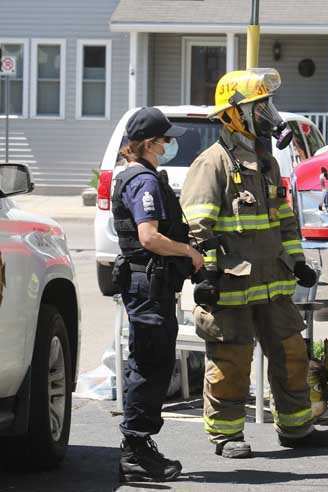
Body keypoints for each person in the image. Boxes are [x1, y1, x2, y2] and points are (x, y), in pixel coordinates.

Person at [180, 68, 328, 459]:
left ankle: (296, 428)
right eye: (259, 107)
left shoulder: (267, 163)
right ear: (234, 115)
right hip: (231, 286)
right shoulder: (211, 164)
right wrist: (209, 274)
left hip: (273, 283)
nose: (268, 114)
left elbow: (283, 220)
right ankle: (226, 435)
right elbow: (198, 225)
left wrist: (298, 262)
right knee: (232, 360)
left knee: (291, 353)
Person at [111, 106, 204, 482]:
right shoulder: (143, 181)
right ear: (149, 144)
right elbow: (148, 236)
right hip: (147, 285)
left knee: (152, 362)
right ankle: (135, 449)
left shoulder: (140, 176)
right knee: (150, 364)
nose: (168, 145)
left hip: (150, 284)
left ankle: (137, 445)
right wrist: (188, 252)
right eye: (165, 140)